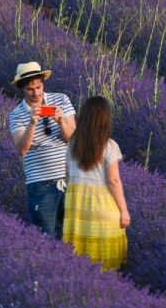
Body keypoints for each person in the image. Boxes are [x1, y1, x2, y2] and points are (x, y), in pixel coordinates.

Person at [7, 60, 77, 238]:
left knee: (76, 237)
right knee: (45, 237)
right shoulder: (16, 115)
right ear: (22, 89)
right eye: (30, 89)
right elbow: (22, 150)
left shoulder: (61, 100)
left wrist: (61, 121)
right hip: (41, 186)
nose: (36, 93)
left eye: (39, 86)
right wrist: (32, 122)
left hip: (71, 180)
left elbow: (75, 140)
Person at [62, 95, 129, 270]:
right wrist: (124, 211)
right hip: (103, 210)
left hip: (78, 214)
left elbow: (68, 176)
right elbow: (114, 181)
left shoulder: (72, 145)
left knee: (79, 264)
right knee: (106, 268)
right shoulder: (110, 146)